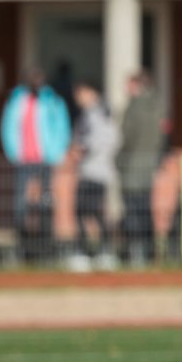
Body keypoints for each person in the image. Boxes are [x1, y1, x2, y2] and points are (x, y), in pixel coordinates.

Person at [0, 68, 70, 262]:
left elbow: (61, 127)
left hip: (46, 159)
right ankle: (23, 246)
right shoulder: (16, 101)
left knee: (47, 200)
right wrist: (13, 152)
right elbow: (8, 127)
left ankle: (46, 243)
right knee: (21, 203)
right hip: (23, 159)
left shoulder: (52, 101)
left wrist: (57, 152)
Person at [115, 71, 167, 268]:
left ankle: (134, 253)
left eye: (128, 85)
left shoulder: (133, 107)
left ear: (137, 86)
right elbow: (162, 136)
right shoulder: (158, 107)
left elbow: (127, 137)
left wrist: (119, 159)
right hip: (150, 166)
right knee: (146, 211)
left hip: (131, 167)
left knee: (132, 212)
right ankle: (150, 252)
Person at [70, 81, 119, 271]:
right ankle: (100, 251)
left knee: (87, 212)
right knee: (89, 213)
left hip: (94, 171)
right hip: (95, 171)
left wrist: (81, 150)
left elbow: (100, 141)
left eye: (80, 93)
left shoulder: (96, 114)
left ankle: (88, 253)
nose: (78, 98)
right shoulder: (98, 113)